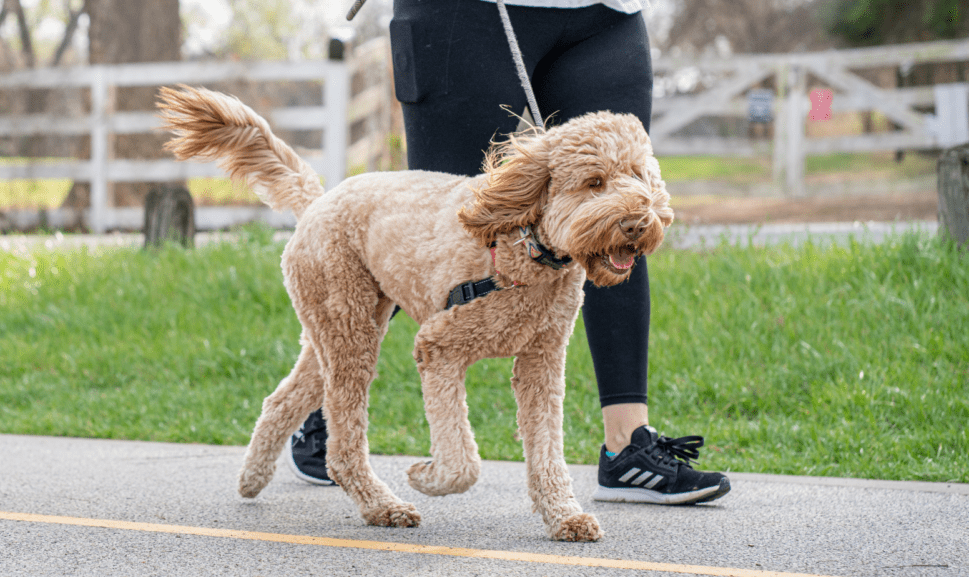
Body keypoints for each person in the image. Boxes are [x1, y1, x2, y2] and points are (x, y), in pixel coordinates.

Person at [288, 0, 730, 505]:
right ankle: (327, 416)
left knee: (615, 218)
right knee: (436, 235)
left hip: (606, 13)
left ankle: (626, 447)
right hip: (466, 12)